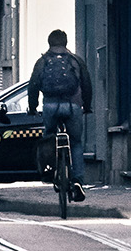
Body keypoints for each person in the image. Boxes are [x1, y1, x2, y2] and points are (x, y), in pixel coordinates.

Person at [27, 29, 93, 202]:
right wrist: (87, 105)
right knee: (76, 142)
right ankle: (77, 180)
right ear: (66, 43)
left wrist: (32, 107)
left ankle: (50, 170)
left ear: (49, 43)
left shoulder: (42, 61)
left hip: (50, 105)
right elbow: (86, 84)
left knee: (49, 136)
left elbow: (33, 85)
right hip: (73, 106)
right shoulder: (76, 60)